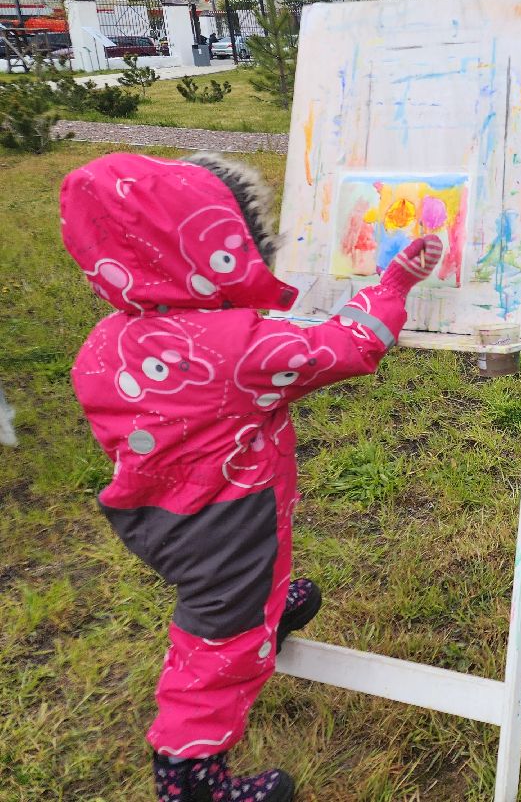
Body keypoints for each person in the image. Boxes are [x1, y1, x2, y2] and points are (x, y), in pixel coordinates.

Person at [60, 152, 443, 800]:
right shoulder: (238, 346)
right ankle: (190, 775)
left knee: (228, 600)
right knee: (219, 648)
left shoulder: (105, 341)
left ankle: (260, 611)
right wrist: (394, 284)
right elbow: (353, 344)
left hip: (156, 514)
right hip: (230, 524)